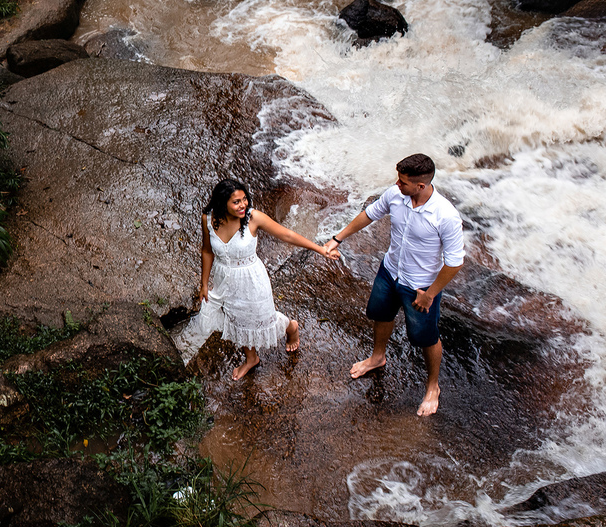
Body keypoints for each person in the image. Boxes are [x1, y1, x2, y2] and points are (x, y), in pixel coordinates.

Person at [322, 153, 464, 417]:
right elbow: (369, 215)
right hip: (390, 272)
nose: (397, 185)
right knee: (381, 314)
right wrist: (337, 238)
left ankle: (433, 386)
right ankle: (378, 357)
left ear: (421, 186)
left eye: (403, 182)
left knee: (426, 337)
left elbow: (455, 262)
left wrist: (430, 294)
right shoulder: (396, 195)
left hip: (420, 287)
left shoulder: (446, 216)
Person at [176, 178, 339, 380]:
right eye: (236, 202)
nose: (243, 205)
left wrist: (320, 249)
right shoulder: (208, 219)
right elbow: (207, 251)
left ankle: (291, 327)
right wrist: (204, 283)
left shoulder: (253, 218)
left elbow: (287, 235)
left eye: (244, 199)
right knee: (235, 317)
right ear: (222, 203)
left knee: (260, 318)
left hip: (251, 278)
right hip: (223, 277)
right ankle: (251, 358)